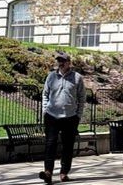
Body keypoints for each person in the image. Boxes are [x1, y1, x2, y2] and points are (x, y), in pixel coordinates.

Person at [40, 52, 86, 184]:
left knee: (67, 146)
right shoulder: (51, 77)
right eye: (59, 61)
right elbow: (45, 94)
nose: (60, 63)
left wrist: (78, 115)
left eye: (63, 61)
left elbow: (82, 98)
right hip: (52, 116)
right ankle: (48, 172)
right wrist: (45, 110)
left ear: (69, 63)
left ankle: (64, 172)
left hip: (70, 117)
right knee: (50, 144)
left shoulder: (77, 78)